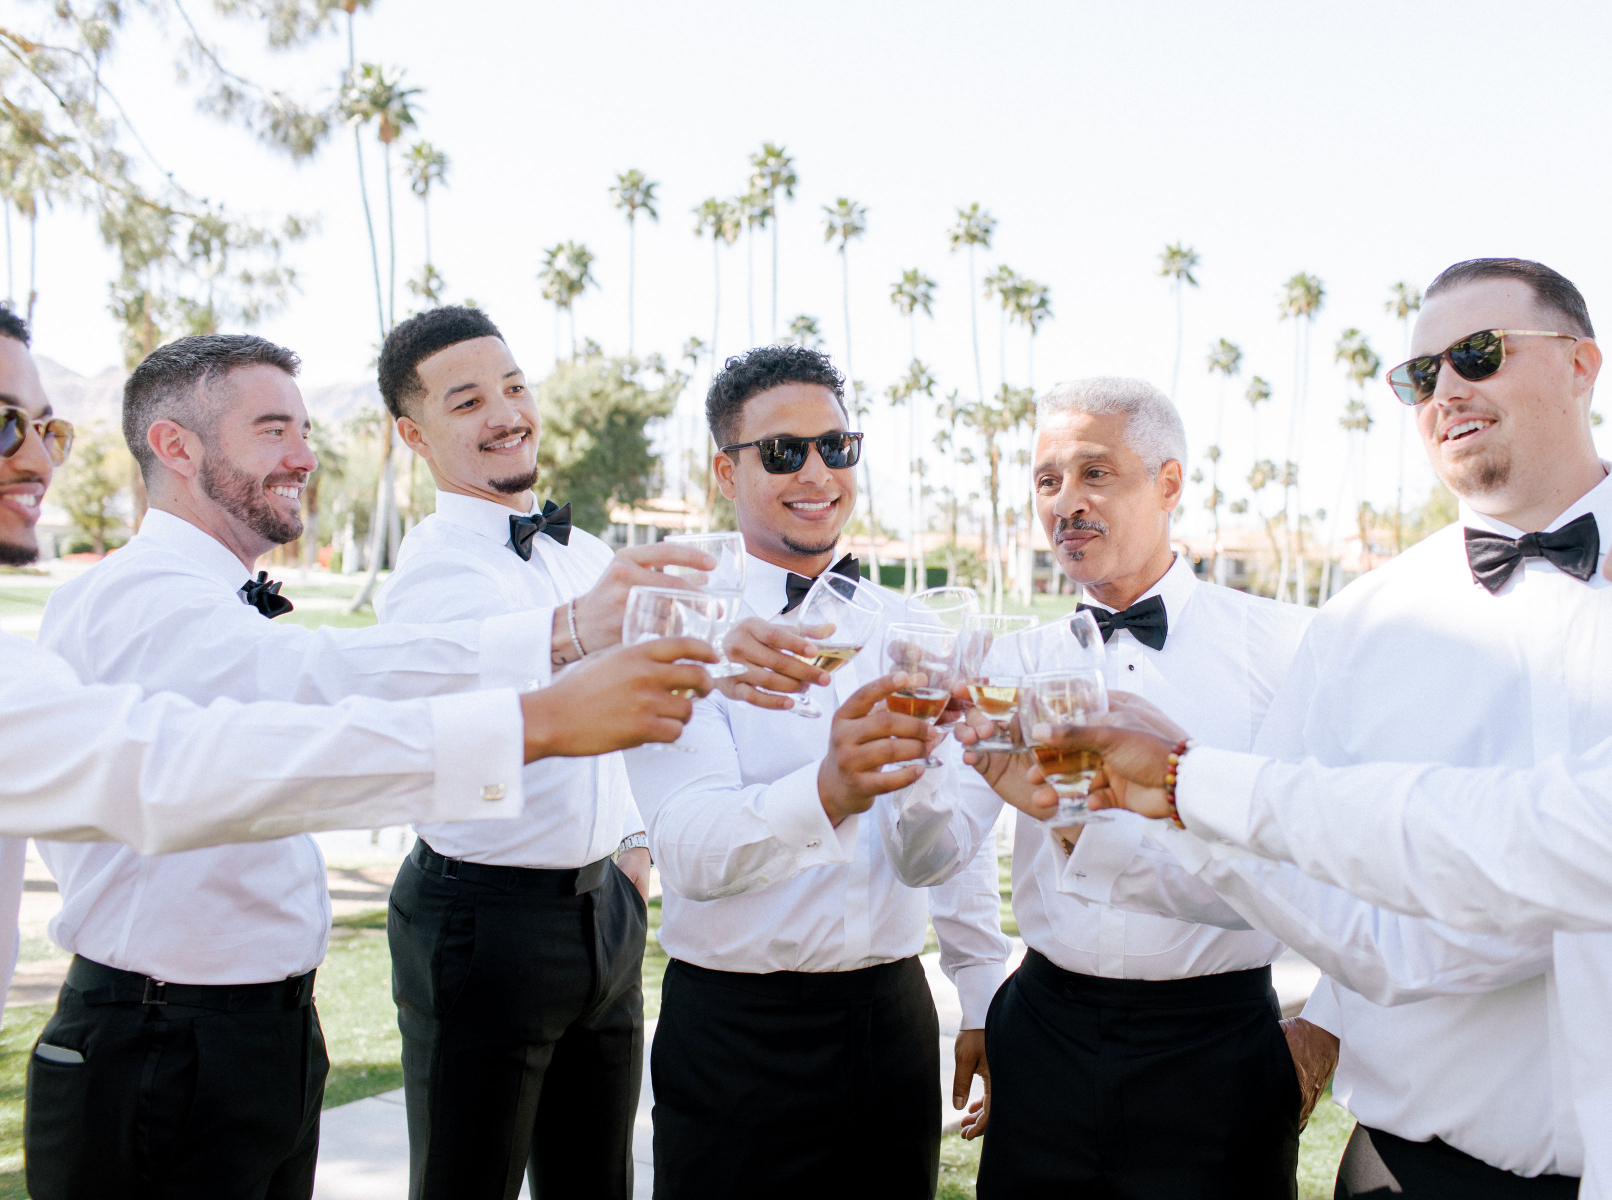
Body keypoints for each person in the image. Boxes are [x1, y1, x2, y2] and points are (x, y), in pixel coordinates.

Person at [1037, 147, 1612, 1191]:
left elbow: (1481, 875)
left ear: (1583, 363)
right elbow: (1431, 841)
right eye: (1418, 374)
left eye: (1478, 353)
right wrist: (1134, 809)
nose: (1443, 389)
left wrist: (1184, 784)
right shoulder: (1357, 625)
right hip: (1420, 1166)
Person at [26, 330, 714, 1200]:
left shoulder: (212, 599)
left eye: (305, 431)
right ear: (175, 447)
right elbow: (318, 690)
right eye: (275, 430)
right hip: (162, 1038)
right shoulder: (134, 599)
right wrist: (552, 671)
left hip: (257, 1030)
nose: (306, 457)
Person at [374, 306, 773, 1200]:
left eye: (514, 387)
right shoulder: (433, 573)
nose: (506, 413)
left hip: (605, 913)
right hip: (484, 927)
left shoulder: (585, 550)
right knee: (462, 1182)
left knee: (598, 1182)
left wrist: (631, 846)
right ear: (414, 433)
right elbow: (459, 726)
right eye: (468, 400)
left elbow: (640, 693)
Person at [622, 346, 1010, 1200]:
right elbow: (689, 850)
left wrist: (981, 989)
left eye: (837, 447)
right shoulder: (677, 626)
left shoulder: (910, 625)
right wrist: (830, 789)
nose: (817, 472)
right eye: (784, 452)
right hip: (736, 1034)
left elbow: (955, 834)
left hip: (891, 1021)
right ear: (726, 470)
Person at [949, 378, 1316, 1197]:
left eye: (1094, 474)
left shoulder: (1284, 648)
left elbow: (1337, 861)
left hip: (1218, 1045)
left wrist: (1328, 1026)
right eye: (1047, 481)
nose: (1065, 502)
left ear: (1169, 483)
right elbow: (943, 850)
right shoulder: (1010, 663)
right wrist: (980, 996)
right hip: (1044, 1029)